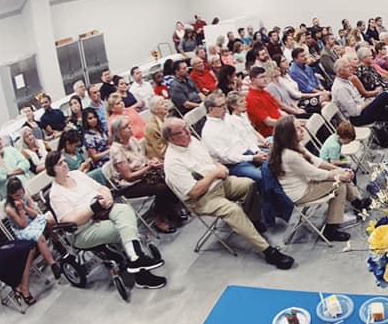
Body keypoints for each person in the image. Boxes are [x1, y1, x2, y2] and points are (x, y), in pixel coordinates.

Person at [162, 118, 295, 268]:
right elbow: (193, 192)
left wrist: (219, 167)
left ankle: (254, 221)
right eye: (183, 131)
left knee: (249, 184)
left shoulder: (191, 141)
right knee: (233, 210)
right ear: (172, 138)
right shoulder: (173, 162)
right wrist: (214, 174)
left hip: (219, 182)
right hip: (202, 198)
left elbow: (210, 160)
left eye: (187, 127)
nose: (188, 132)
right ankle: (268, 251)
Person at [46, 150, 166, 289]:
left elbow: (101, 187)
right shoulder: (56, 194)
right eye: (59, 163)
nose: (64, 164)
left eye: (64, 161)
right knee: (124, 229)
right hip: (84, 230)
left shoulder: (76, 175)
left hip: (103, 211)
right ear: (52, 170)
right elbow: (70, 220)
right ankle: (142, 275)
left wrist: (107, 197)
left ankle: (135, 258)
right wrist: (93, 207)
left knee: (125, 210)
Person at [268, 117, 364, 242]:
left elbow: (316, 161)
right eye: (298, 128)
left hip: (307, 182)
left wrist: (337, 169)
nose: (303, 130)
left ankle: (356, 203)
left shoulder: (295, 145)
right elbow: (315, 174)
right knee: (339, 184)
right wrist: (339, 174)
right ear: (288, 134)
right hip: (301, 193)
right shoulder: (289, 154)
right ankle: (331, 229)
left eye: (301, 126)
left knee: (341, 177)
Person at [108, 116, 182, 233]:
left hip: (144, 174)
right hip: (130, 186)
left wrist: (151, 162)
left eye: (129, 125)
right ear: (119, 132)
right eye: (126, 127)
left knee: (170, 178)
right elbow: (129, 177)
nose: (130, 128)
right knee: (163, 188)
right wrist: (149, 167)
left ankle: (169, 210)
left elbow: (142, 159)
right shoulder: (116, 150)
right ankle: (158, 216)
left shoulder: (132, 140)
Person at [331, 58, 388, 153]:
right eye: (347, 67)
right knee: (384, 96)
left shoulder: (347, 80)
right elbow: (355, 112)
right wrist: (371, 101)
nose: (351, 68)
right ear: (339, 71)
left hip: (362, 110)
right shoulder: (341, 88)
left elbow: (359, 100)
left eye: (350, 65)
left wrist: (369, 101)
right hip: (356, 119)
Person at [201, 91, 268, 182]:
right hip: (235, 164)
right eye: (221, 106)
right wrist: (252, 157)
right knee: (263, 177)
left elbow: (245, 137)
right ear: (211, 109)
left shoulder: (228, 118)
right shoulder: (209, 131)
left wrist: (256, 151)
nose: (225, 108)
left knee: (277, 163)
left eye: (225, 104)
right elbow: (226, 157)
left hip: (249, 153)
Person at [0, 209, 39, 305]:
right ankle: (21, 288)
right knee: (2, 260)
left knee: (30, 246)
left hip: (0, 245)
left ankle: (23, 286)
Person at [0, 131, 32, 199]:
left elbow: (26, 164)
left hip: (26, 187)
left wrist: (9, 174)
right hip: (10, 196)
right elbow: (0, 176)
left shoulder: (11, 150)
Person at [144, 96, 170, 161]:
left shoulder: (166, 119)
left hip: (171, 151)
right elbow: (161, 151)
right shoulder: (151, 127)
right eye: (162, 104)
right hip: (159, 159)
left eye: (165, 102)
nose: (166, 105)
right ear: (155, 110)